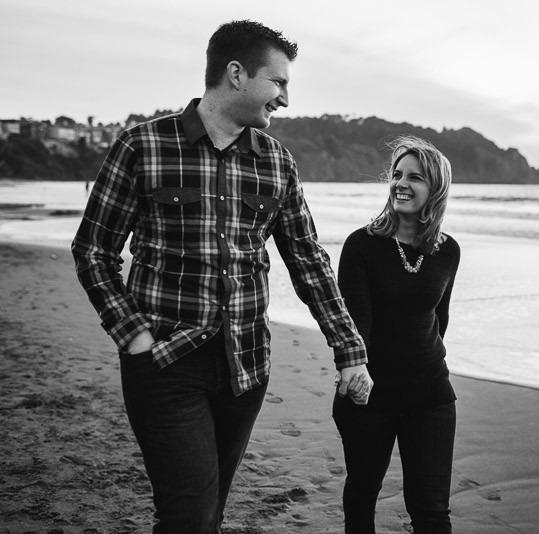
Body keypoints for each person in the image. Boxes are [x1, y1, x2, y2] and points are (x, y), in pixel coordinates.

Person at [71, 20, 372, 533]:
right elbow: (94, 249)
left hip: (247, 366)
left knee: (209, 513)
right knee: (187, 514)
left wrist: (349, 350)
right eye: (278, 82)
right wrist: (134, 335)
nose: (284, 98)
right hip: (166, 362)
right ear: (236, 74)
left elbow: (307, 260)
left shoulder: (277, 163)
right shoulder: (143, 146)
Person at [333, 135, 460, 533]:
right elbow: (356, 325)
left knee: (431, 510)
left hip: (431, 395)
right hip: (371, 393)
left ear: (435, 189)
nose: (401, 183)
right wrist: (352, 373)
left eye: (415, 177)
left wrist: (423, 364)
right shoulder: (361, 246)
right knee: (363, 494)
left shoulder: (449, 250)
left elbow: (439, 319)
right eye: (397, 174)